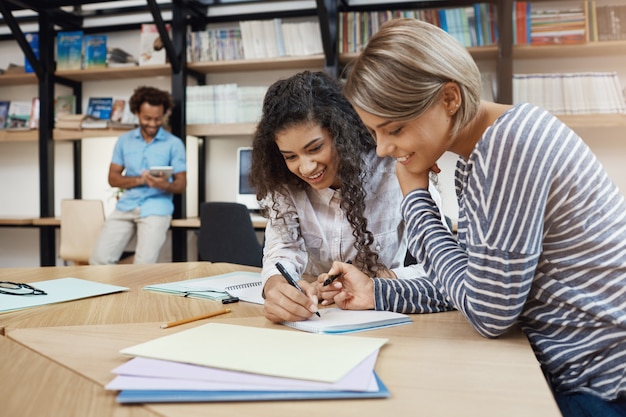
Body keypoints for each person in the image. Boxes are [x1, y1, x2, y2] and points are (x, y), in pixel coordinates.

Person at [319, 18, 626, 416]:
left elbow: (487, 314)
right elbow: (473, 282)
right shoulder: (478, 158)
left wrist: (414, 196)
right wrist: (376, 293)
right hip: (575, 372)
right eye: (375, 133)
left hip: (600, 386)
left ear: (449, 98)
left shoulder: (510, 147)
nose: (382, 149)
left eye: (393, 129)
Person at [249, 70, 446, 323]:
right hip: (317, 319)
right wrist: (276, 286)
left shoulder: (395, 169)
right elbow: (283, 249)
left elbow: (440, 267)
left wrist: (381, 282)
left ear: (340, 133)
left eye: (315, 148)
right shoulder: (284, 182)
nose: (306, 168)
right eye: (291, 157)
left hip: (384, 314)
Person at [90, 86, 187, 265]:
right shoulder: (124, 141)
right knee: (98, 260)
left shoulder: (174, 144)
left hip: (157, 208)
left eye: (158, 119)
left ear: (165, 113)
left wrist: (163, 185)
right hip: (126, 206)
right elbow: (113, 179)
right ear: (136, 113)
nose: (152, 123)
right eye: (147, 118)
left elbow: (181, 184)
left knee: (144, 265)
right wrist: (140, 180)